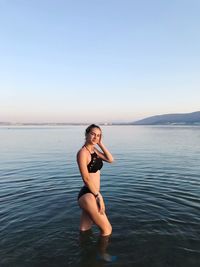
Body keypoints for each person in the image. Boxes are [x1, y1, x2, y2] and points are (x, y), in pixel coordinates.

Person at [77, 124, 114, 237]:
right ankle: (104, 254)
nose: (95, 137)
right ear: (86, 134)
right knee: (107, 229)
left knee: (85, 229)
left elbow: (110, 159)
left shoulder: (94, 150)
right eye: (93, 134)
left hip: (92, 193)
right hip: (89, 194)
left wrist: (100, 144)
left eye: (98, 136)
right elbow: (86, 178)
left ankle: (83, 250)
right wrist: (98, 196)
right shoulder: (83, 153)